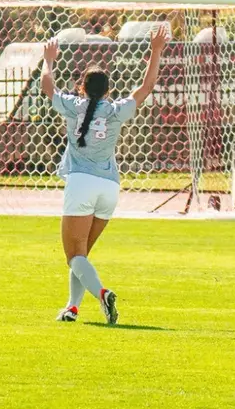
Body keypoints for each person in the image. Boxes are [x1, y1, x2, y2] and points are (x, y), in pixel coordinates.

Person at [42, 24, 168, 325]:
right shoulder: (115, 110)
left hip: (81, 184)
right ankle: (72, 308)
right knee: (82, 255)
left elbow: (48, 88)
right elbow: (146, 87)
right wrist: (156, 51)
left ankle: (102, 294)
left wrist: (48, 59)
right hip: (109, 188)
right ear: (108, 90)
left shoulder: (74, 106)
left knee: (74, 256)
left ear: (81, 88)